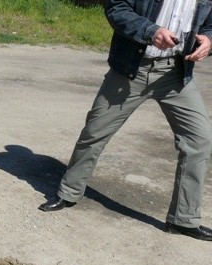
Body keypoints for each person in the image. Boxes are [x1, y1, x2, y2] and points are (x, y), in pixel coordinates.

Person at [39, 0, 212, 241]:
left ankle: (183, 220)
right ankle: (69, 193)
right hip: (131, 71)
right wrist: (151, 31)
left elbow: (209, 25)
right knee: (95, 132)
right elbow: (116, 8)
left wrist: (208, 41)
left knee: (200, 140)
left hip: (176, 74)